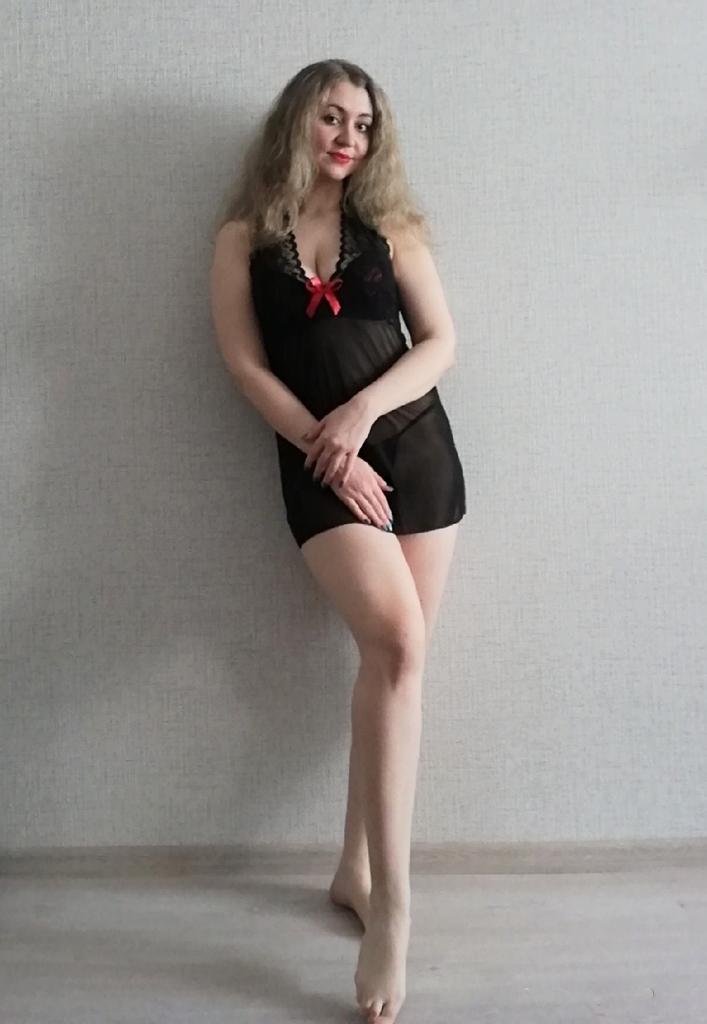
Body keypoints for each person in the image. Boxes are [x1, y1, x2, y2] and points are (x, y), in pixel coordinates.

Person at [209, 59, 466, 1024]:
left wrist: (358, 415)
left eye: (363, 123)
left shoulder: (391, 226)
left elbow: (438, 342)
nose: (347, 137)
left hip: (418, 450)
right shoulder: (244, 235)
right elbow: (244, 365)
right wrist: (328, 450)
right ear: (297, 123)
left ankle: (356, 869)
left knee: (395, 664)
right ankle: (393, 904)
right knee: (395, 647)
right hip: (319, 469)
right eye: (330, 117)